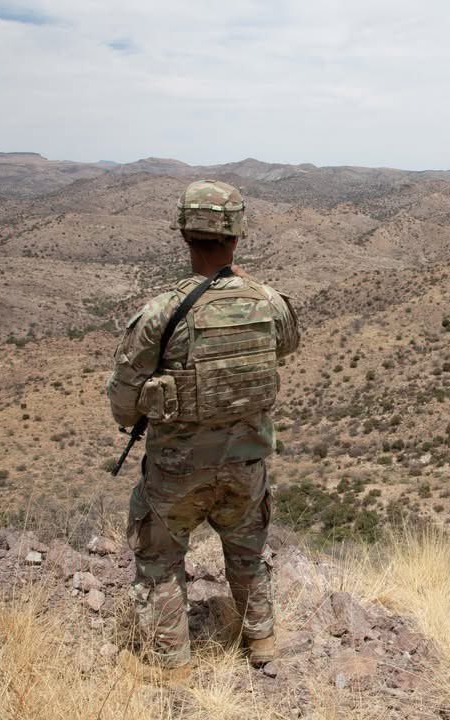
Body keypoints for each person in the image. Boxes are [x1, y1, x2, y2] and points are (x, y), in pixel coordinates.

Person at [106, 179, 299, 671]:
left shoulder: (161, 312)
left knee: (159, 558)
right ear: (237, 235)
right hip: (245, 463)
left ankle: (172, 667)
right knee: (248, 548)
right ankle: (261, 641)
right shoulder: (269, 301)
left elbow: (124, 395)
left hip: (177, 470)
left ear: (184, 236)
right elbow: (288, 344)